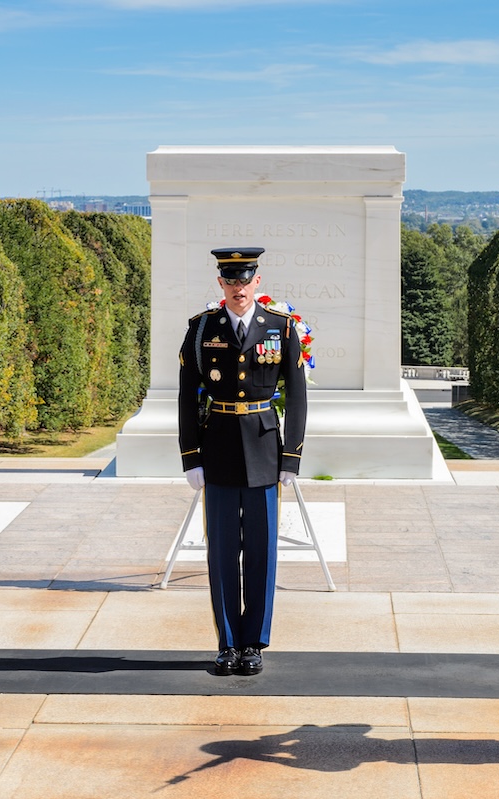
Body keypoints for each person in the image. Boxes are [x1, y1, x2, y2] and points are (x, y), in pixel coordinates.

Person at [178, 247, 308, 676]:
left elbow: (298, 396)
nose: (238, 288)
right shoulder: (201, 330)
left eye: (245, 279)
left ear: (257, 281)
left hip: (264, 448)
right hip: (217, 448)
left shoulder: (281, 328)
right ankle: (228, 643)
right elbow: (186, 396)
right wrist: (190, 457)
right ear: (221, 284)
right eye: (230, 281)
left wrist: (291, 457)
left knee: (260, 551)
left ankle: (254, 642)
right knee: (220, 553)